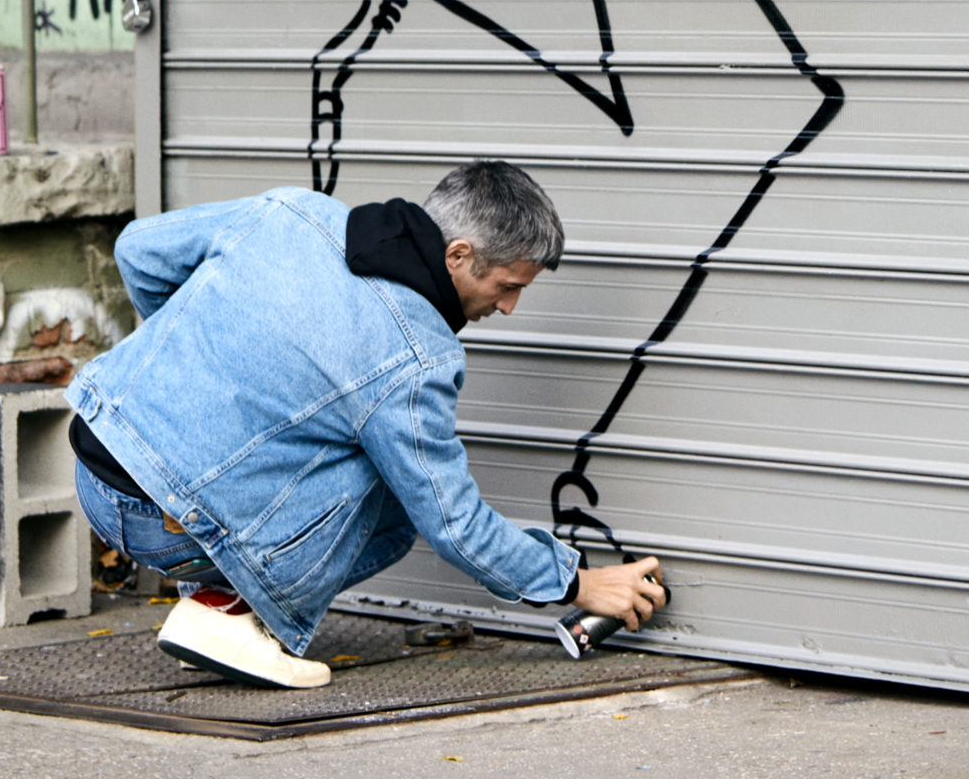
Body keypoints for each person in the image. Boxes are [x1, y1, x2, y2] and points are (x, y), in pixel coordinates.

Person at [66, 161, 664, 689]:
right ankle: (227, 612)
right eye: (507, 287)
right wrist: (578, 584)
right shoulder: (416, 359)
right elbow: (454, 524)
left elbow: (138, 249)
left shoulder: (295, 211)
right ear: (458, 256)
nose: (508, 307)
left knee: (352, 436)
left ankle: (217, 605)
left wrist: (185, 362)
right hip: (162, 523)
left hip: (96, 459)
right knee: (396, 503)